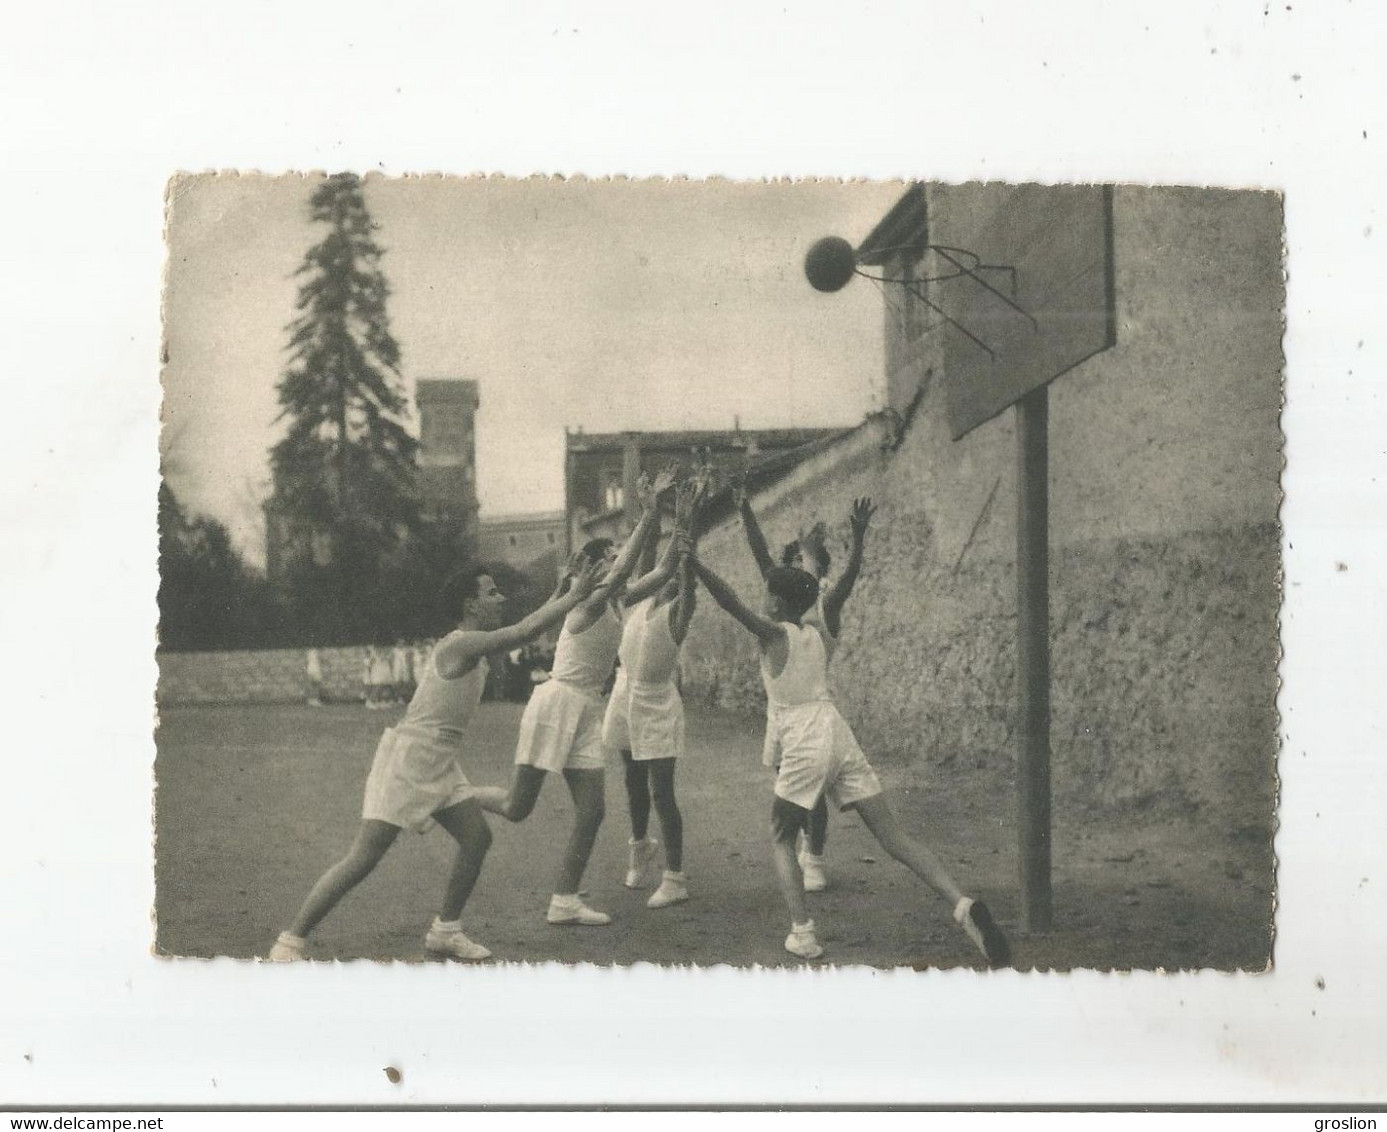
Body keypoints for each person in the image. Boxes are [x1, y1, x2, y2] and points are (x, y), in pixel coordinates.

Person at [691, 498, 1011, 966]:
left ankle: (802, 933)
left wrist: (696, 561)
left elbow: (729, 599)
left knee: (781, 836)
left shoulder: (772, 634)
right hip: (836, 730)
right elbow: (834, 582)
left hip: (801, 735)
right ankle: (961, 904)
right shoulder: (818, 630)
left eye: (768, 593)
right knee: (893, 835)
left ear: (776, 602)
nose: (763, 594)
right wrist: (855, 538)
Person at [267, 557, 602, 963]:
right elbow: (524, 630)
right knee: (365, 855)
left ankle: (446, 930)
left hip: (440, 760)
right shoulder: (460, 643)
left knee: (477, 838)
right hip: (410, 758)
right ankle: (290, 942)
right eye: (492, 593)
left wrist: (564, 589)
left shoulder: (473, 641)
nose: (501, 598)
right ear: (471, 605)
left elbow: (525, 625)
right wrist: (573, 595)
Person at [475, 469, 676, 927]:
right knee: (516, 807)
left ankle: (564, 899)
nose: (615, 562)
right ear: (592, 571)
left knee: (594, 809)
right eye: (607, 558)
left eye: (612, 558)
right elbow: (627, 566)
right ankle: (454, 797)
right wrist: (649, 511)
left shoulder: (616, 601)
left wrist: (683, 525)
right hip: (557, 702)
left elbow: (661, 570)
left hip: (587, 709)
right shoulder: (583, 604)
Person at [604, 479, 702, 907]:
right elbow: (654, 560)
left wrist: (686, 520)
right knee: (632, 780)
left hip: (657, 702)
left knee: (663, 791)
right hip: (624, 695)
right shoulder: (640, 599)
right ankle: (640, 844)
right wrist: (659, 508)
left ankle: (675, 878)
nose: (673, 580)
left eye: (679, 579)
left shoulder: (678, 613)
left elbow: (685, 568)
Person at [733, 481, 834, 893]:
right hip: (782, 704)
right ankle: (799, 852)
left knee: (815, 788)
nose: (786, 564)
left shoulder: (814, 595)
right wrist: (745, 511)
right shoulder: (786, 591)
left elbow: (799, 570)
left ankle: (814, 858)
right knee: (789, 783)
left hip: (806, 697)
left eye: (796, 559)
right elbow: (762, 558)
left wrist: (811, 552)